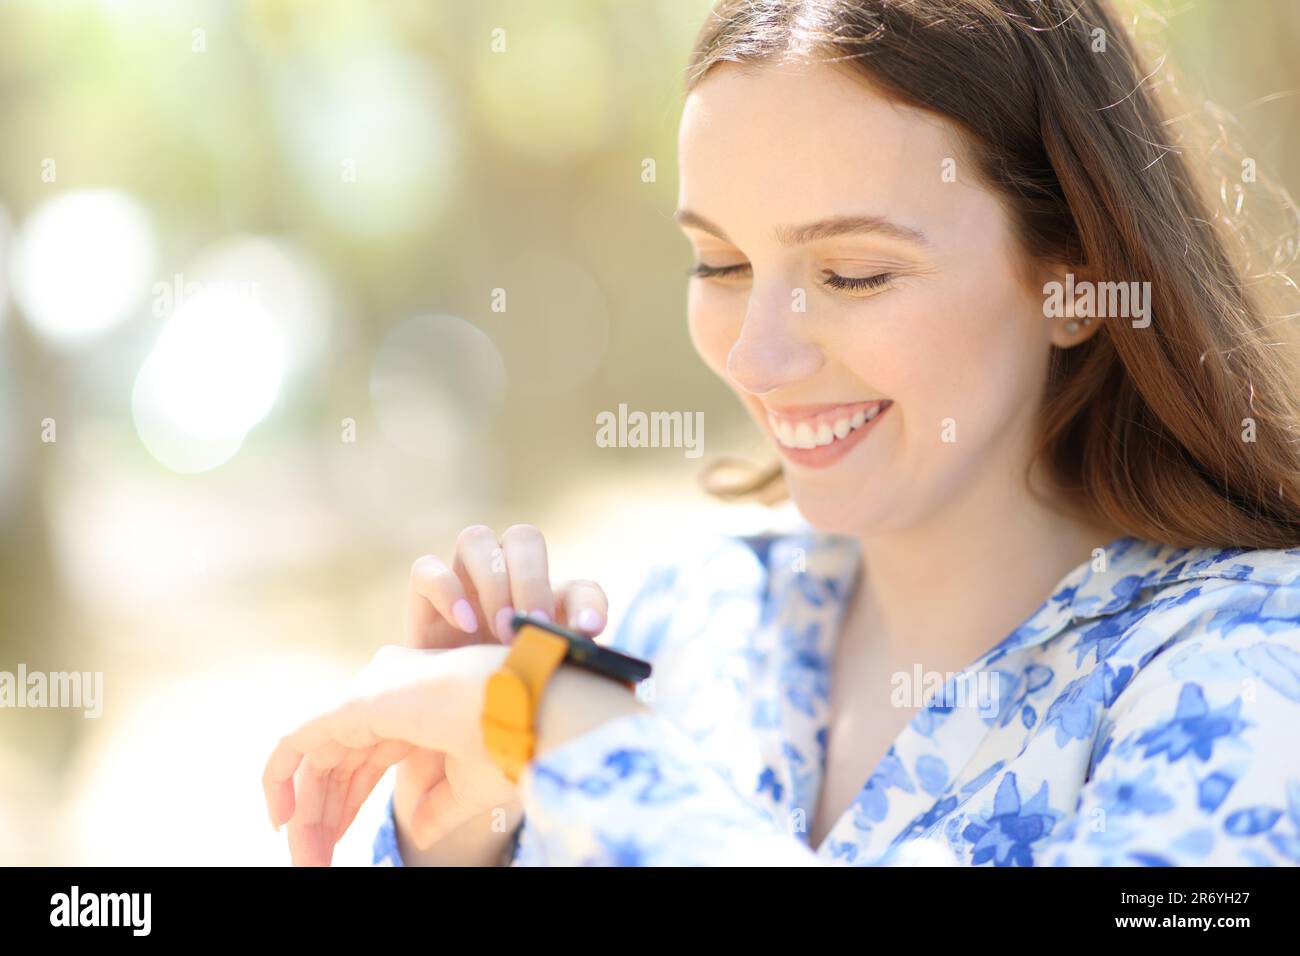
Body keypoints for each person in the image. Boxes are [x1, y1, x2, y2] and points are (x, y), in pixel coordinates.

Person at [262, 0, 1300, 866]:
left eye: (852, 274)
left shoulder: (1250, 664)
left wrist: (570, 733)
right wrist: (469, 821)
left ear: (1075, 280)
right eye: (719, 265)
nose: (756, 357)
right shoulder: (685, 622)